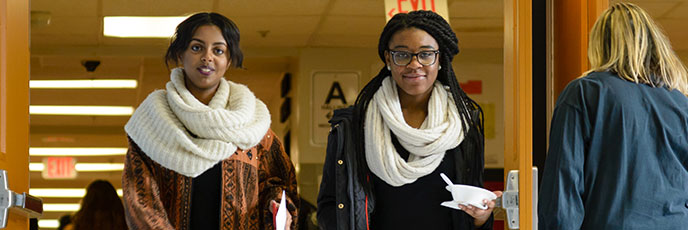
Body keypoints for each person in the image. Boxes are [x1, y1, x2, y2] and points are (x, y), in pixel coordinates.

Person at [538, 3, 688, 230]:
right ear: (652, 44)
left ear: (599, 45)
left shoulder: (584, 94)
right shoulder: (682, 104)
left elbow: (562, 196)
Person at [316, 10, 501, 230]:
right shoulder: (354, 126)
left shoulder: (463, 123)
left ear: (439, 58)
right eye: (402, 55)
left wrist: (481, 216)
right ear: (388, 59)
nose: (414, 64)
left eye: (426, 54)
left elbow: (474, 213)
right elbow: (329, 206)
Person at [122, 12, 298, 230]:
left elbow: (278, 184)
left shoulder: (252, 124)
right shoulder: (151, 123)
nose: (207, 57)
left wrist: (278, 207)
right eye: (197, 48)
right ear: (180, 54)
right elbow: (140, 201)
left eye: (218, 50)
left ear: (229, 59)